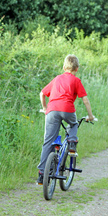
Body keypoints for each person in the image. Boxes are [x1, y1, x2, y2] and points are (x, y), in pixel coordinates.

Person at [37, 54, 94, 184]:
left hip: (52, 110)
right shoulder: (76, 81)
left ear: (64, 67)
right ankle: (72, 142)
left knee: (48, 142)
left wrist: (45, 108)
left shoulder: (57, 78)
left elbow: (42, 93)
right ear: (77, 69)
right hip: (67, 110)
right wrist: (90, 116)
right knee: (73, 124)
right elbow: (85, 99)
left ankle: (41, 174)